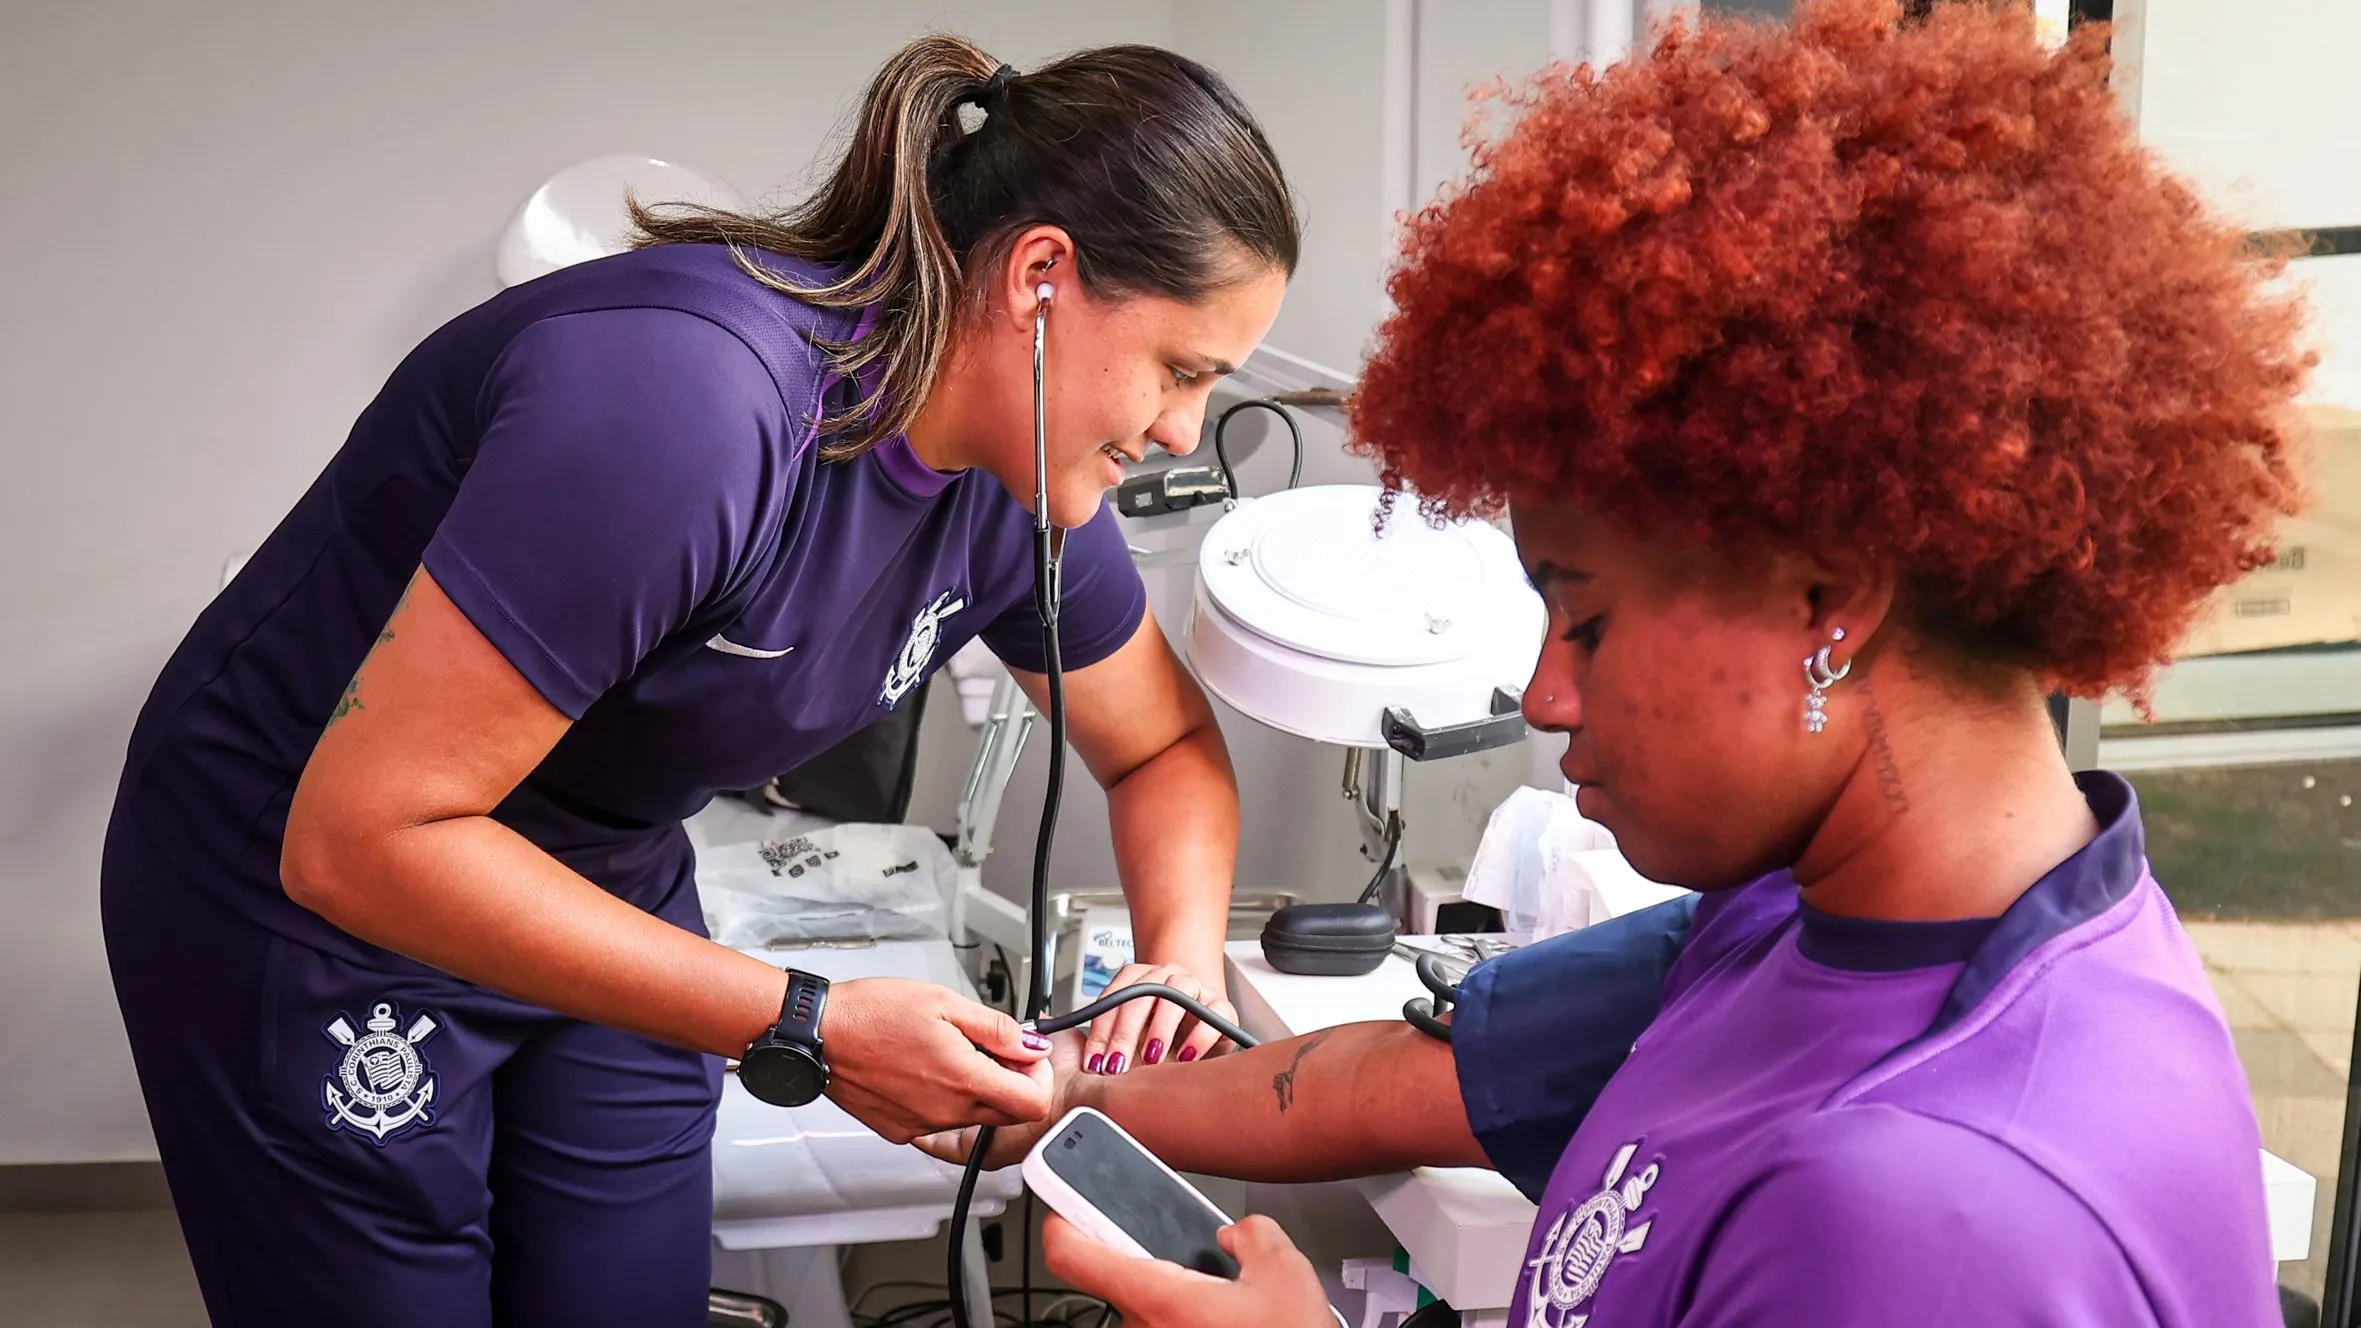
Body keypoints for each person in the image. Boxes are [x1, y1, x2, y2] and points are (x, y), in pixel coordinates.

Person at [925, 3, 2311, 1324]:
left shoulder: (1927, 1210)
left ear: (1831, 599)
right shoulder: (1799, 921)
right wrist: (1053, 1093)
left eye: (1581, 618)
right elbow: (1386, 1081)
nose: (1545, 698)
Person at [101, 35, 1298, 1327]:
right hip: (304, 889)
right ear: (1043, 280)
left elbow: (1164, 752)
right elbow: (361, 836)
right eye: (1184, 371)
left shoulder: (1020, 487)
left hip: (597, 867)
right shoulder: (693, 407)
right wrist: (815, 1022)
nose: (1182, 430)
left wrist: (1168, 979)